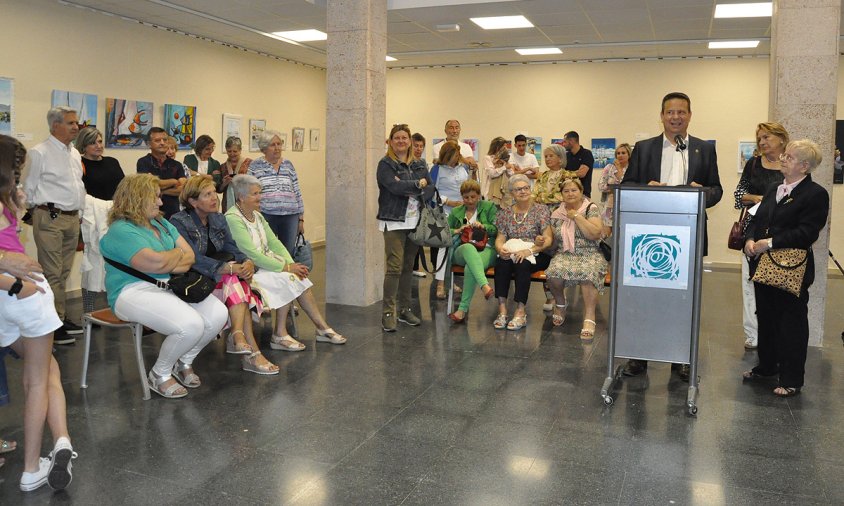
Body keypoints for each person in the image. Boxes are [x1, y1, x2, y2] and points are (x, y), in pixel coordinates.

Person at [620, 91, 723, 381]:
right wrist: (646, 188)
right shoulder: (644, 147)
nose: (675, 117)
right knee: (644, 296)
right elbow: (628, 185)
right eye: (670, 112)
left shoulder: (705, 148)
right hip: (648, 236)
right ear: (662, 115)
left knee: (684, 298)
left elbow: (717, 190)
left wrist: (700, 192)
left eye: (681, 112)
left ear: (690, 115)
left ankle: (681, 358)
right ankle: (639, 355)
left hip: (688, 236)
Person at [100, 174, 228, 398]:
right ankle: (159, 374)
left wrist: (172, 258)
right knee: (190, 325)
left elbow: (189, 257)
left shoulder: (161, 222)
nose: (161, 203)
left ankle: (184, 361)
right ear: (137, 198)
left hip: (168, 285)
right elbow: (158, 263)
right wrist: (176, 255)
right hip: (131, 291)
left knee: (219, 314)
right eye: (155, 198)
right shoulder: (122, 230)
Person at [0, 134, 77, 492]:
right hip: (24, 294)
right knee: (37, 379)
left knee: (48, 369)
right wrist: (13, 280)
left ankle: (62, 440)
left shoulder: (7, 202)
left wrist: (15, 210)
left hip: (9, 301)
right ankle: (32, 468)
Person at [742, 139, 829, 397]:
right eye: (785, 156)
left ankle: (791, 378)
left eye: (789, 157)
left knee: (791, 323)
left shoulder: (816, 194)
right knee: (766, 318)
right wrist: (749, 239)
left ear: (804, 166)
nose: (783, 159)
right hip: (763, 265)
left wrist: (768, 243)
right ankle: (767, 367)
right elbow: (755, 218)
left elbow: (807, 232)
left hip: (792, 269)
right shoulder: (773, 188)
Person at [170, 176, 278, 375]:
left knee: (236, 279)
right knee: (236, 281)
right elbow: (192, 258)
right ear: (193, 201)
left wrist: (246, 261)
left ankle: (239, 337)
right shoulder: (178, 221)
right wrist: (227, 268)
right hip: (195, 279)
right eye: (208, 194)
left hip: (221, 278)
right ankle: (247, 349)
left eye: (214, 193)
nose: (215, 198)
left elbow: (231, 247)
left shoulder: (218, 218)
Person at [226, 175, 345, 349]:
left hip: (268, 265)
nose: (260, 197)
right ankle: (281, 334)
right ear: (241, 197)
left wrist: (291, 265)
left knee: (297, 277)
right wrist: (287, 267)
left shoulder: (257, 216)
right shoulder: (233, 218)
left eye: (260, 192)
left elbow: (274, 242)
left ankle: (320, 327)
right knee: (288, 278)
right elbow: (250, 253)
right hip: (251, 270)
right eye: (255, 194)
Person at [22, 106, 86, 345]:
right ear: (55, 126)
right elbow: (27, 187)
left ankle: (60, 317)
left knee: (63, 272)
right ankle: (53, 323)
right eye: (70, 123)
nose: (75, 126)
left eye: (75, 122)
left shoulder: (74, 153)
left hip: (71, 218)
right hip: (49, 216)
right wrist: (34, 212)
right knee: (52, 273)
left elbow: (77, 185)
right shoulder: (39, 152)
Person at [734, 122, 789, 351]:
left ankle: (776, 332)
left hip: (782, 233)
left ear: (781, 139)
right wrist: (759, 199)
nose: (763, 142)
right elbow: (739, 196)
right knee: (749, 283)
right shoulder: (753, 164)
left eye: (767, 137)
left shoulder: (790, 164)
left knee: (777, 286)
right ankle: (752, 334)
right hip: (752, 230)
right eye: (760, 139)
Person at [376, 124, 433, 332]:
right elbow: (393, 186)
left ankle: (404, 309)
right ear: (390, 142)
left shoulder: (419, 163)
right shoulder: (386, 164)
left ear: (409, 141)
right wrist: (418, 184)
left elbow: (431, 188)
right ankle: (388, 313)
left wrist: (415, 186)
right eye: (396, 138)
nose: (401, 141)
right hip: (393, 221)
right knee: (394, 268)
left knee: (408, 267)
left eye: (404, 138)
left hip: (415, 221)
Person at [546, 179, 605, 339]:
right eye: (566, 191)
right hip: (565, 253)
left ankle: (589, 317)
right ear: (562, 195)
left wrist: (577, 217)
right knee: (553, 273)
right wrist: (541, 242)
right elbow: (552, 241)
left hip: (590, 252)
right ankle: (560, 304)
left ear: (581, 192)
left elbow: (595, 234)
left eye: (574, 190)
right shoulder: (556, 213)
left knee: (588, 273)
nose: (570, 194)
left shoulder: (590, 208)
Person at [493, 174, 554, 331]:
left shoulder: (541, 210)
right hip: (513, 251)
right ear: (512, 193)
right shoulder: (505, 213)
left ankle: (520, 312)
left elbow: (548, 239)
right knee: (501, 263)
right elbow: (500, 238)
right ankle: (502, 311)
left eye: (526, 188)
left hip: (537, 253)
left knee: (522, 264)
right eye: (518, 189)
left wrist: (529, 250)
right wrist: (501, 249)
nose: (523, 191)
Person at [75, 127, 125, 314]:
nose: (98, 145)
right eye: (93, 142)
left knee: (115, 263)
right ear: (84, 145)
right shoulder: (79, 164)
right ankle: (88, 309)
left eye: (100, 141)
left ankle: (115, 306)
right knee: (92, 264)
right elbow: (81, 192)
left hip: (114, 216)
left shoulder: (112, 162)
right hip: (91, 219)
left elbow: (122, 187)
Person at [532, 143, 576, 311]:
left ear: (560, 158)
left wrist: (545, 198)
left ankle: (560, 293)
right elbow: (535, 196)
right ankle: (549, 296)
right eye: (546, 156)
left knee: (559, 255)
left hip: (562, 218)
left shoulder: (568, 175)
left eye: (551, 156)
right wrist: (546, 198)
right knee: (545, 253)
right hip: (542, 219)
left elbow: (566, 197)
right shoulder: (542, 176)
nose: (548, 159)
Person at [446, 180, 497, 323]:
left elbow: (497, 229)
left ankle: (461, 310)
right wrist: (457, 230)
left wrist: (484, 226)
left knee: (471, 267)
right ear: (462, 197)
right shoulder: (456, 211)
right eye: (466, 197)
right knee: (469, 248)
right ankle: (484, 285)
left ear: (479, 196)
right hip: (462, 250)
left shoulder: (489, 207)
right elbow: (444, 232)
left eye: (473, 197)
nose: (470, 201)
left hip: (487, 248)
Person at [247, 130, 304, 254]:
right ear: (264, 148)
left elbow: (297, 191)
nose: (277, 148)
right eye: (273, 145)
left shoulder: (288, 164)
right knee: (268, 252)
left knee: (287, 253)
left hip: (290, 216)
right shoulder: (255, 166)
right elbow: (249, 192)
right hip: (266, 215)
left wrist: (301, 219)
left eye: (279, 144)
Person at [431, 141, 471, 300]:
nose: (456, 158)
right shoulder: (437, 169)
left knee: (458, 246)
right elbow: (430, 193)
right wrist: (447, 201)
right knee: (444, 247)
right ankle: (440, 283)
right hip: (444, 211)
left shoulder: (463, 168)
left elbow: (469, 187)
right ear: (447, 155)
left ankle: (450, 281)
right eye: (454, 155)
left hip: (462, 212)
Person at [137, 127, 186, 219]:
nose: (162, 143)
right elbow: (148, 186)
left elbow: (183, 189)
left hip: (173, 214)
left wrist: (160, 189)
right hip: (150, 214)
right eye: (157, 140)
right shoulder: (143, 162)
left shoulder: (177, 165)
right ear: (149, 144)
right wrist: (174, 181)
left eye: (165, 140)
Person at [598, 143, 631, 236]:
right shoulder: (609, 168)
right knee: (605, 236)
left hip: (625, 206)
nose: (620, 155)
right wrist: (613, 188)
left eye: (623, 153)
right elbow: (601, 185)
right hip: (609, 207)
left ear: (629, 155)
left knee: (621, 235)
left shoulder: (632, 168)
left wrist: (620, 170)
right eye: (618, 153)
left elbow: (626, 186)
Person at [410, 133, 428, 279]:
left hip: (420, 204)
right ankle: (408, 267)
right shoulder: (406, 163)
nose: (418, 149)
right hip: (408, 206)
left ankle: (415, 267)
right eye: (416, 145)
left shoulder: (423, 163)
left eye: (421, 146)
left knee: (418, 237)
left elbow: (429, 183)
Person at [219, 136, 252, 212]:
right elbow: (219, 189)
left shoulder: (249, 164)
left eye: (235, 151)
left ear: (240, 150)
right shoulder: (223, 167)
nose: (232, 154)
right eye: (229, 151)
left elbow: (255, 184)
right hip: (227, 204)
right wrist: (224, 183)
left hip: (245, 201)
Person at [480, 136, 513, 207]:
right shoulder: (488, 158)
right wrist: (504, 167)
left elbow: (511, 175)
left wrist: (508, 167)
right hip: (490, 194)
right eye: (504, 147)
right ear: (497, 147)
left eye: (506, 147)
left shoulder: (505, 159)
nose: (506, 149)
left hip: (503, 193)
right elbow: (492, 173)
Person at [562, 131, 596, 198]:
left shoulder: (586, 154)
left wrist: (567, 174)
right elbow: (561, 174)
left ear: (571, 141)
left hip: (583, 193)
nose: (563, 144)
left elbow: (581, 173)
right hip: (568, 193)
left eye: (565, 142)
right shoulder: (566, 155)